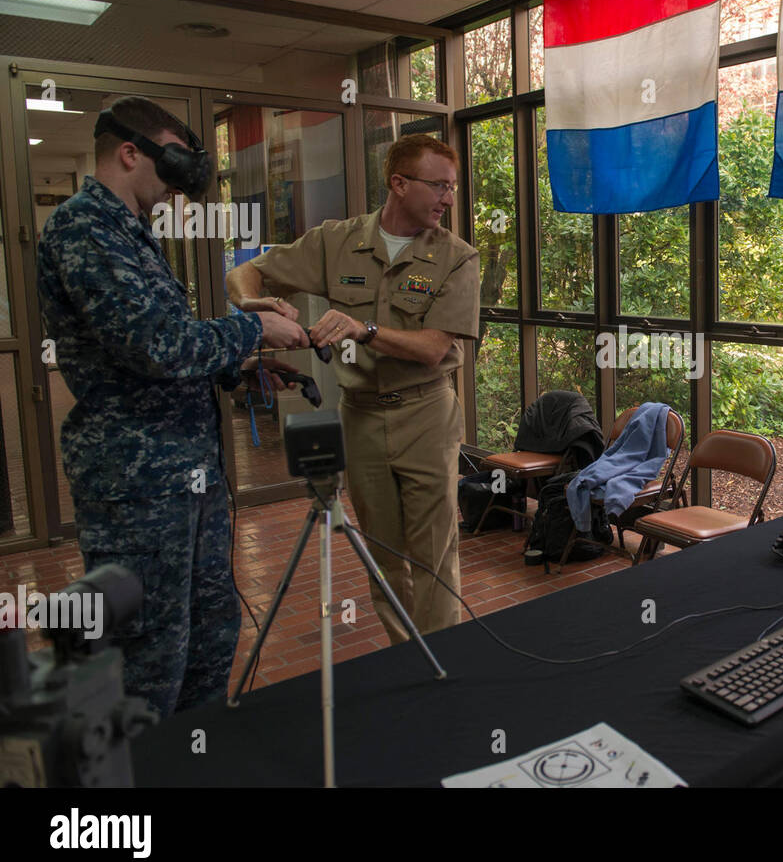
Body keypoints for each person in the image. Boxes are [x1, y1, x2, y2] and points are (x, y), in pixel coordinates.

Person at [37, 96, 309, 718]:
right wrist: (252, 330)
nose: (174, 189)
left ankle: (194, 760)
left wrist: (244, 364)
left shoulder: (131, 232)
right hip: (138, 483)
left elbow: (168, 346)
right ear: (129, 153)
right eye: (170, 166)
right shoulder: (86, 227)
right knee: (148, 656)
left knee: (210, 633)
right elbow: (156, 345)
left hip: (187, 474)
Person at [225, 134, 480, 644]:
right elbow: (245, 274)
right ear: (399, 183)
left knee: (433, 555)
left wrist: (366, 330)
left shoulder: (456, 257)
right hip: (360, 416)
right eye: (439, 186)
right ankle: (407, 658)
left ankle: (447, 667)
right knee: (382, 556)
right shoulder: (335, 241)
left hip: (427, 414)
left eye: (452, 187)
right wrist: (258, 310)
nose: (449, 199)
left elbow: (435, 348)